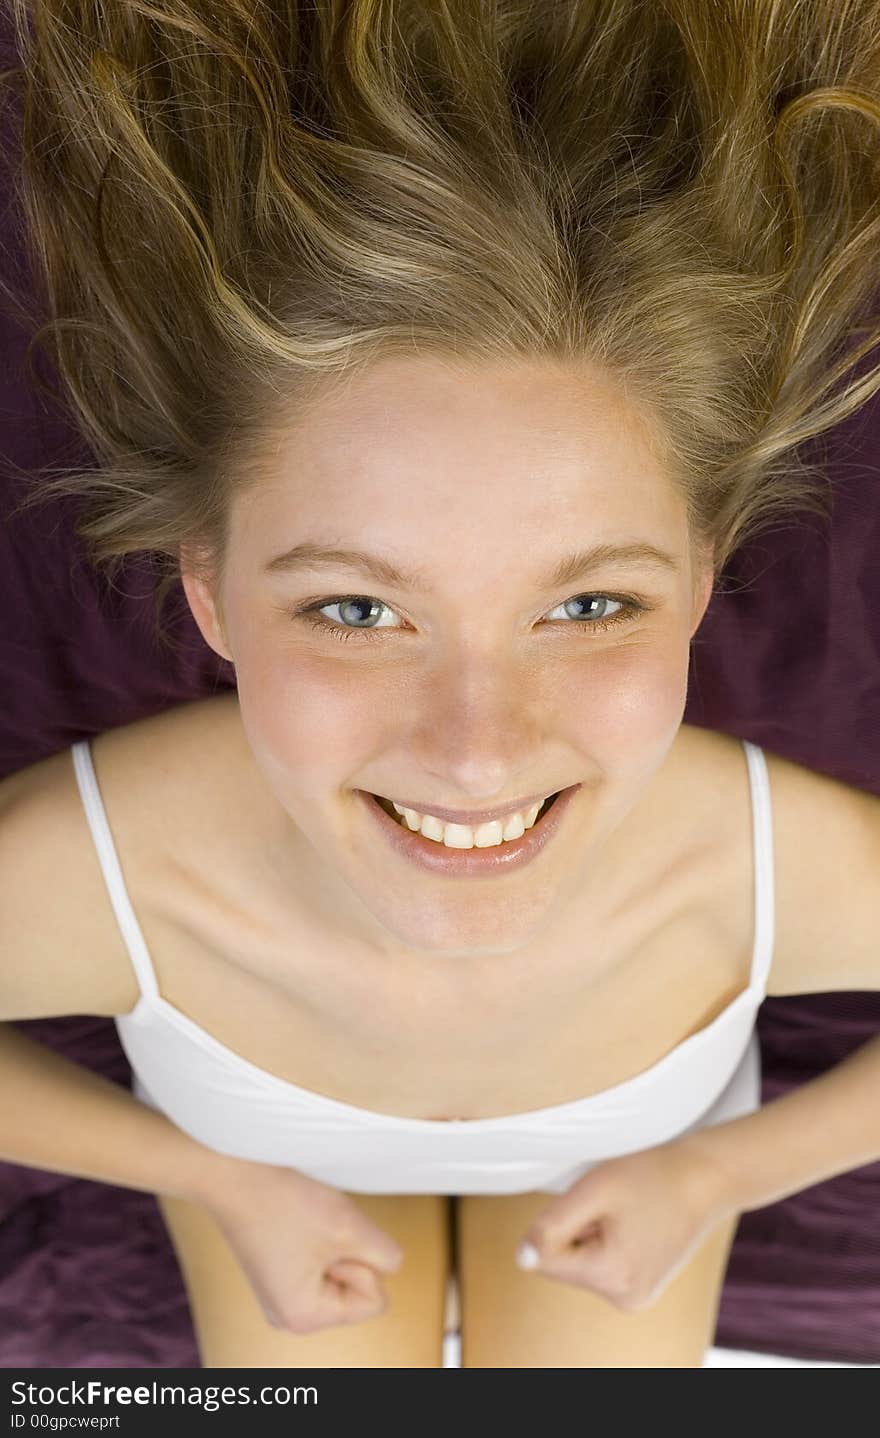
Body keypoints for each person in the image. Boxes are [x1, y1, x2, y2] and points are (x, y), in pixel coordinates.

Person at [1, 1, 879, 1369]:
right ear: (210, 590)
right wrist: (215, 1179)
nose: (478, 754)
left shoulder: (764, 867)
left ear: (702, 579)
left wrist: (719, 1175)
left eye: (589, 604)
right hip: (266, 1166)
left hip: (637, 1162)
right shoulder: (91, 877)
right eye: (357, 608)